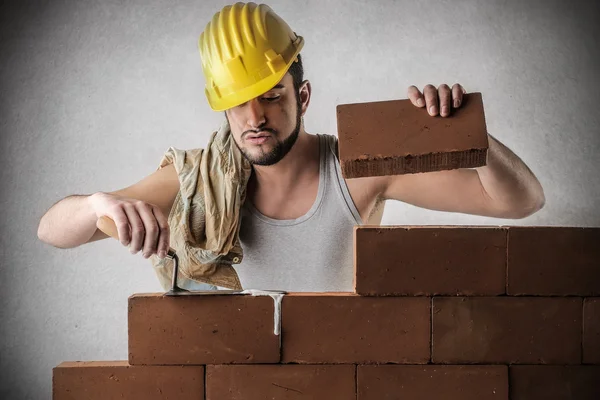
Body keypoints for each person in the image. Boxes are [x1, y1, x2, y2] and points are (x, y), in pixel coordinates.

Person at [37, 3, 545, 292]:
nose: (255, 118)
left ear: (302, 96)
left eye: (272, 97)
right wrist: (97, 203)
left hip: (345, 378)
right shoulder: (199, 180)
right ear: (224, 109)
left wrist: (463, 132)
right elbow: (53, 231)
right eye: (239, 104)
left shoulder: (356, 168)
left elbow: (520, 201)